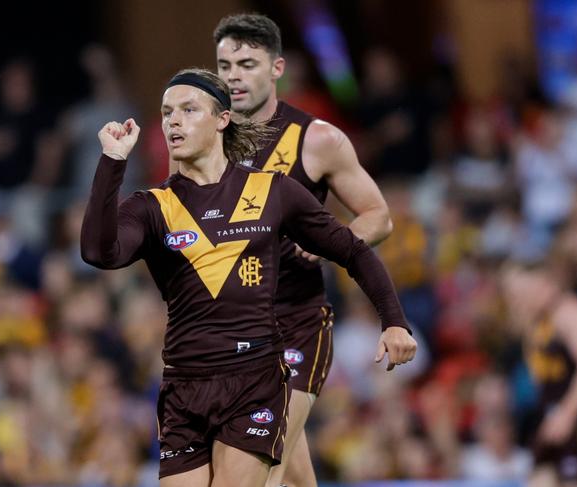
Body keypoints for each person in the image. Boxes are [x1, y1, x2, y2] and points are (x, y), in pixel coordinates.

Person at [81, 68, 416, 487]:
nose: (174, 121)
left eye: (188, 110)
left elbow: (352, 249)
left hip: (255, 381)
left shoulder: (273, 191)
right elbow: (98, 252)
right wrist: (113, 161)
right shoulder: (152, 206)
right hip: (183, 388)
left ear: (222, 119)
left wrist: (394, 321)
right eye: (167, 113)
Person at [210, 14, 404, 487]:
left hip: (295, 323)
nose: (233, 75)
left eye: (247, 63)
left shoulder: (316, 139)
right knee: (291, 473)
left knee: (260, 467)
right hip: (229, 329)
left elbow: (379, 216)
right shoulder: (204, 139)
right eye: (224, 64)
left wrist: (331, 242)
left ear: (277, 69)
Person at [501, 261, 577, 487]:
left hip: (574, 419)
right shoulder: (539, 322)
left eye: (527, 292)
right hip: (554, 418)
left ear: (547, 285)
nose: (521, 300)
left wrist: (568, 413)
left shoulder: (569, 314)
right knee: (539, 480)